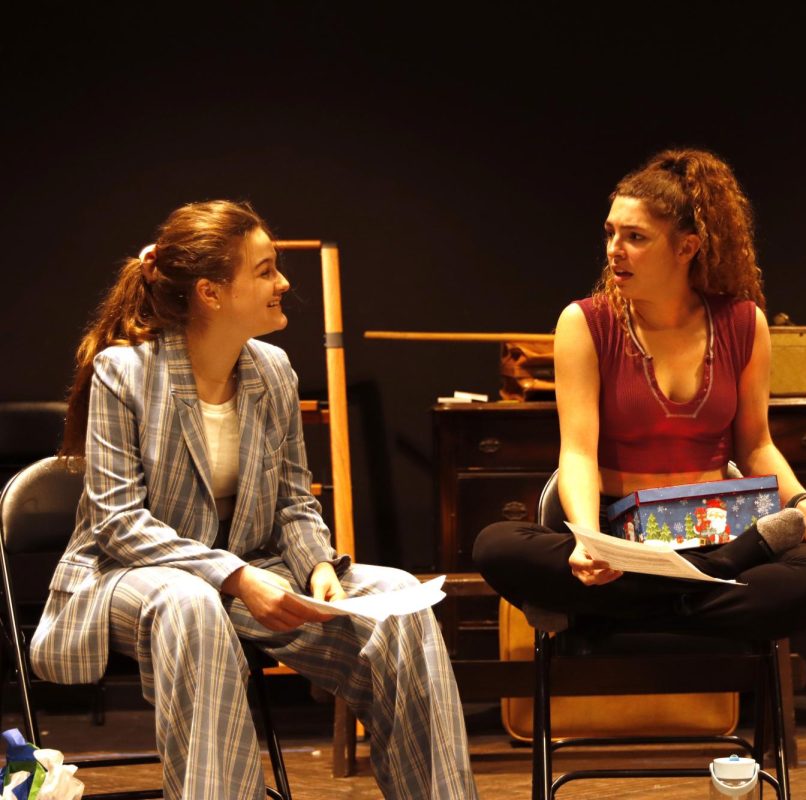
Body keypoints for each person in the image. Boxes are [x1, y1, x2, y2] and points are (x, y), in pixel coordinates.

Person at [33, 201, 477, 800]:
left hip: (245, 575)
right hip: (129, 576)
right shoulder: (125, 371)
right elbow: (118, 523)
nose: (283, 284)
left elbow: (295, 501)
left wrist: (319, 562)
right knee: (192, 601)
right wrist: (235, 577)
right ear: (212, 293)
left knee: (398, 596)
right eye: (266, 270)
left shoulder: (273, 372)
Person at [473, 149, 806, 643]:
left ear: (687, 247)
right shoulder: (585, 323)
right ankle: (701, 589)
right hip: (620, 537)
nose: (615, 249)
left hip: (716, 530)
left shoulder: (744, 323)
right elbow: (577, 451)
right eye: (611, 233)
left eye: (635, 237)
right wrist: (590, 542)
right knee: (497, 546)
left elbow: (755, 444)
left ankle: (625, 607)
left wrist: (802, 503)